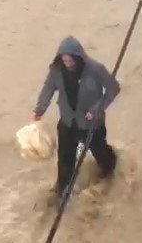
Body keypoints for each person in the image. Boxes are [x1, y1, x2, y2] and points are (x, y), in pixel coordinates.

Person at [33, 36, 120, 201]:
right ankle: (63, 191)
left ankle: (111, 170)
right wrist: (39, 111)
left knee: (101, 153)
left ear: (78, 57)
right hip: (68, 122)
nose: (68, 63)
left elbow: (113, 89)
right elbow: (47, 90)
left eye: (70, 59)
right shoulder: (56, 71)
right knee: (65, 158)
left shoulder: (95, 69)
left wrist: (97, 109)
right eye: (64, 59)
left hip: (92, 124)